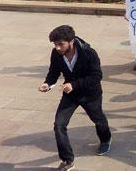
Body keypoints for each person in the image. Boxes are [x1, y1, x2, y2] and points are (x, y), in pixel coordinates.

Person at [39, 25, 112, 171]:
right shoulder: (56, 54)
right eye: (55, 44)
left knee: (98, 119)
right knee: (59, 125)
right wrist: (47, 83)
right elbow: (53, 72)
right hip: (70, 95)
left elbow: (97, 76)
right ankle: (67, 160)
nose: (58, 48)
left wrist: (74, 85)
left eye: (61, 44)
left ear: (71, 41)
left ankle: (105, 139)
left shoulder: (88, 53)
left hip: (90, 94)